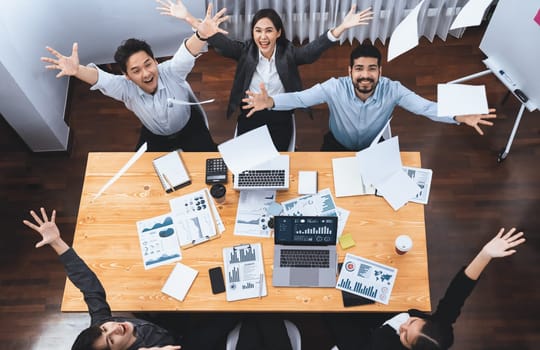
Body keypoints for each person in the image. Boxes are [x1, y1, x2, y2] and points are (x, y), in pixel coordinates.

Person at [158, 1, 373, 151]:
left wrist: (343, 27)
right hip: (251, 110)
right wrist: (188, 17)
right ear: (252, 33)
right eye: (258, 30)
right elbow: (216, 40)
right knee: (247, 155)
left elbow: (312, 50)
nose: (263, 36)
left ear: (278, 33)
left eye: (269, 30)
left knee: (276, 157)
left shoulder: (288, 53)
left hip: (279, 109)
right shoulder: (245, 51)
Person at [22, 207, 240, 350]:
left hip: (162, 325)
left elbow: (89, 286)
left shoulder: (103, 324)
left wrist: (57, 242)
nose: (114, 328)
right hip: (183, 343)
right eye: (111, 340)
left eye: (105, 329)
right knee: (234, 314)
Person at [40, 4, 228, 152]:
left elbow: (186, 52)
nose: (146, 73)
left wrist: (202, 34)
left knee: (211, 161)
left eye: (148, 64)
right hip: (156, 135)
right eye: (136, 70)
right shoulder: (125, 89)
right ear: (127, 76)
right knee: (144, 174)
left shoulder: (171, 71)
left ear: (155, 61)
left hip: (190, 127)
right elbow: (102, 79)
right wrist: (77, 71)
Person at [243, 44, 498, 151]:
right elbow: (300, 99)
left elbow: (424, 107)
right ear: (350, 71)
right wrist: (271, 102)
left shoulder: (393, 89)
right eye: (360, 69)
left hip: (373, 147)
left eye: (372, 69)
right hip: (336, 143)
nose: (366, 76)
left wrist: (457, 116)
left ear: (380, 71)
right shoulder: (334, 87)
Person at [325, 227, 525, 350]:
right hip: (380, 315)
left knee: (327, 304)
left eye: (405, 335)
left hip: (363, 342)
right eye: (412, 321)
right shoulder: (440, 329)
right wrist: (485, 254)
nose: (403, 326)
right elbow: (458, 291)